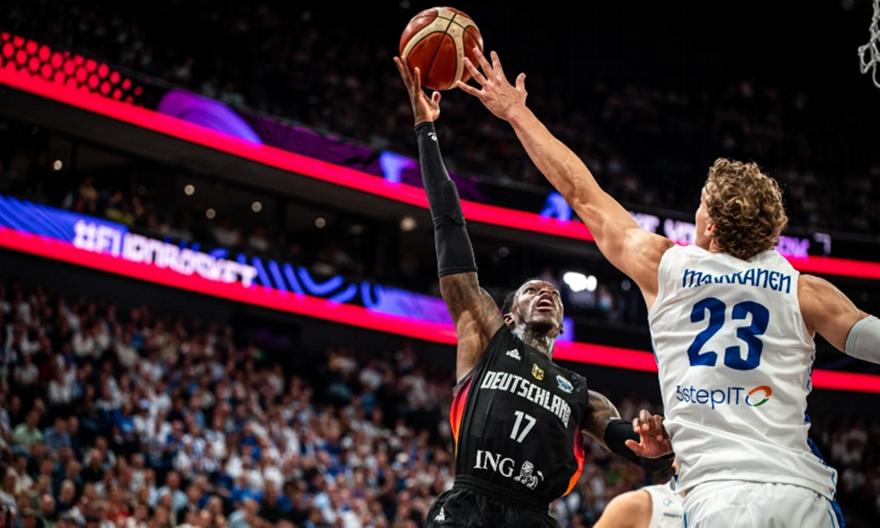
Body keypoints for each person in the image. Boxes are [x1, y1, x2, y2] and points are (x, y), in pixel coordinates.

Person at [455, 47, 880, 527]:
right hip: (802, 494)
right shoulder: (804, 289)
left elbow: (581, 192)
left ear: (711, 227)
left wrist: (516, 112)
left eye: (700, 206)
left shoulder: (666, 266)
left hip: (719, 498)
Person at [393, 57, 674, 528]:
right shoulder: (486, 337)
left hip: (533, 519)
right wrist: (426, 129)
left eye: (554, 295)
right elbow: (448, 224)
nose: (546, 294)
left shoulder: (581, 394)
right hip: (468, 505)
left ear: (561, 324)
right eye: (531, 290)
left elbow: (636, 448)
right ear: (507, 314)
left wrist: (655, 450)